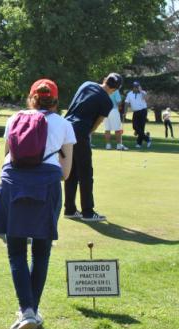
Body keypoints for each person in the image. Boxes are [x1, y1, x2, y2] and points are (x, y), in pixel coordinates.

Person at [0, 79, 75, 329]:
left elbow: (8, 156)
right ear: (56, 100)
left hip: (12, 183)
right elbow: (66, 173)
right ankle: (31, 310)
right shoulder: (63, 124)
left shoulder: (14, 118)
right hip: (46, 184)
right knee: (41, 251)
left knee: (16, 251)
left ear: (31, 98)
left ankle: (27, 310)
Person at [63, 73, 120, 222]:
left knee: (71, 170)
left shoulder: (86, 84)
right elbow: (97, 123)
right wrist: (87, 134)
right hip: (81, 132)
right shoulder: (107, 102)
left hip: (66, 128)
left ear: (104, 80)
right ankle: (88, 212)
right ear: (114, 90)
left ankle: (69, 209)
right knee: (86, 173)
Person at [124, 81, 151, 148]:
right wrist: (125, 112)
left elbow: (146, 98)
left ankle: (139, 143)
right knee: (135, 126)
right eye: (135, 87)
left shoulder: (143, 93)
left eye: (137, 87)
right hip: (135, 112)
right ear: (133, 87)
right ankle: (147, 138)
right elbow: (127, 103)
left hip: (143, 111)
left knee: (141, 127)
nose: (136, 88)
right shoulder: (129, 94)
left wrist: (141, 91)